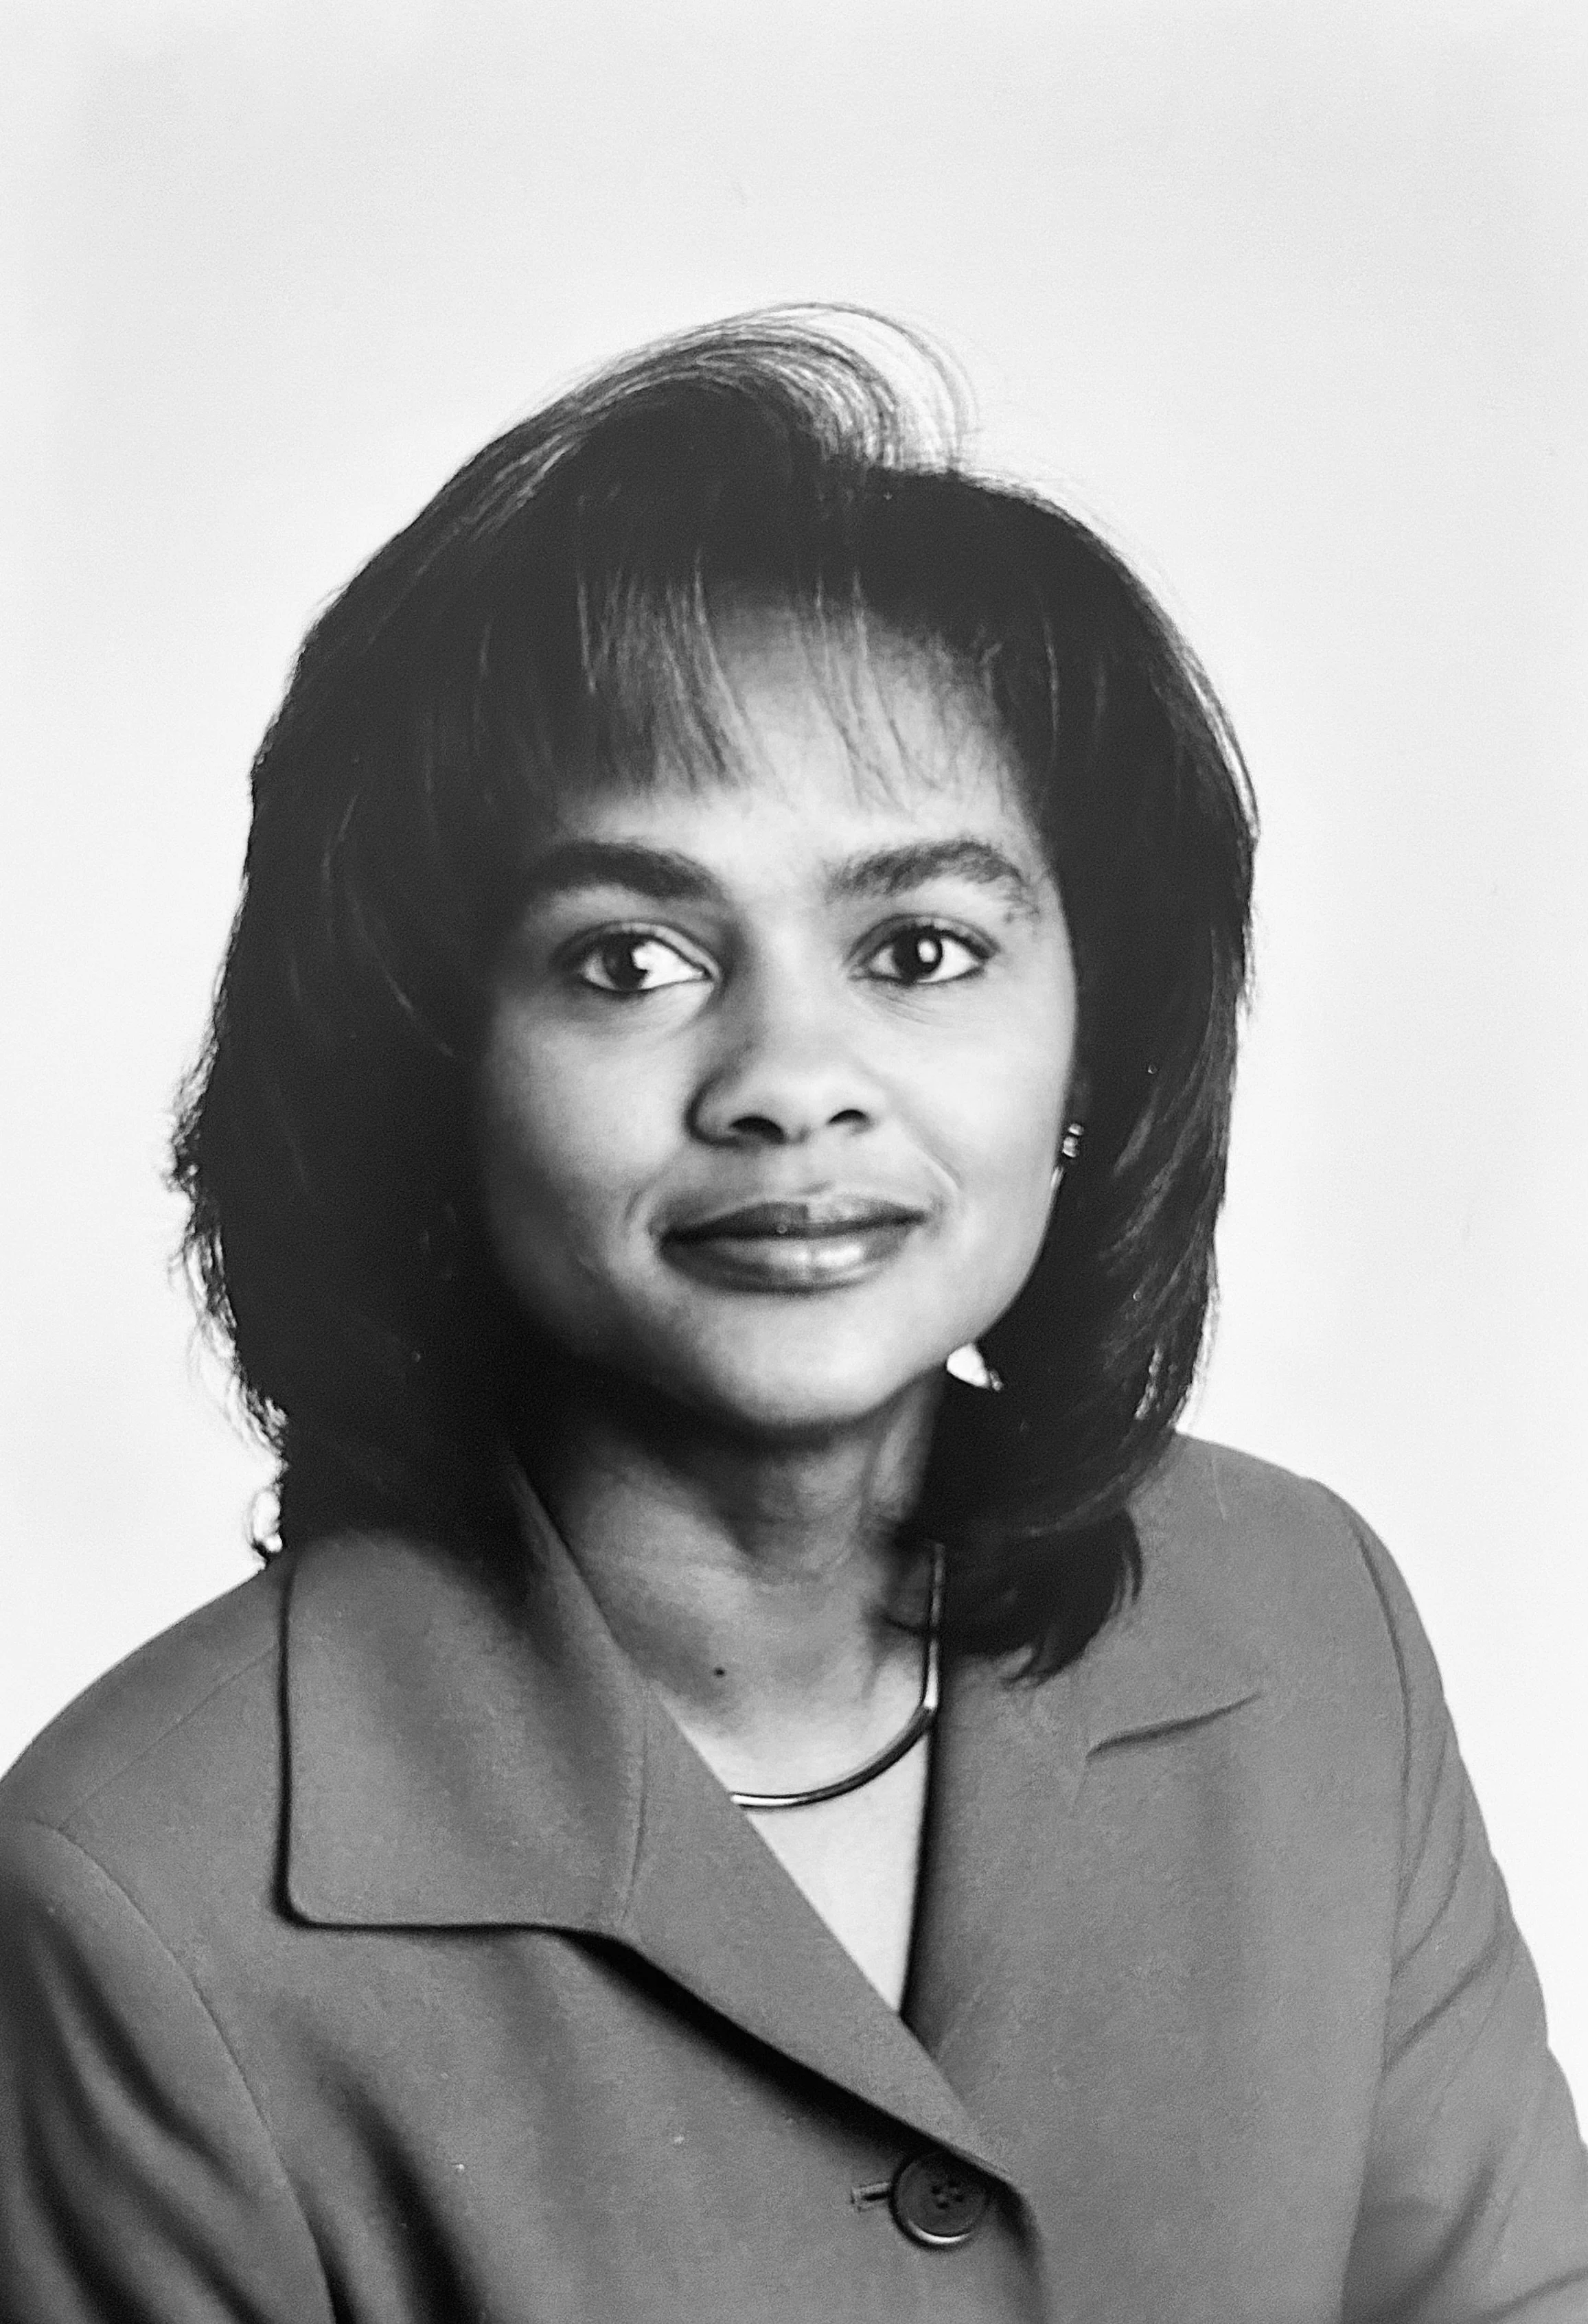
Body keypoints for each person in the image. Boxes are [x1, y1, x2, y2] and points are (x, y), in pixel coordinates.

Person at [1, 312, 1583, 2324]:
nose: (791, 1078)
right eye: (630, 958)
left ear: (1097, 1046)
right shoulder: (134, 1891)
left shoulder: (1304, 1625)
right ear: (428, 1062)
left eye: (921, 946)